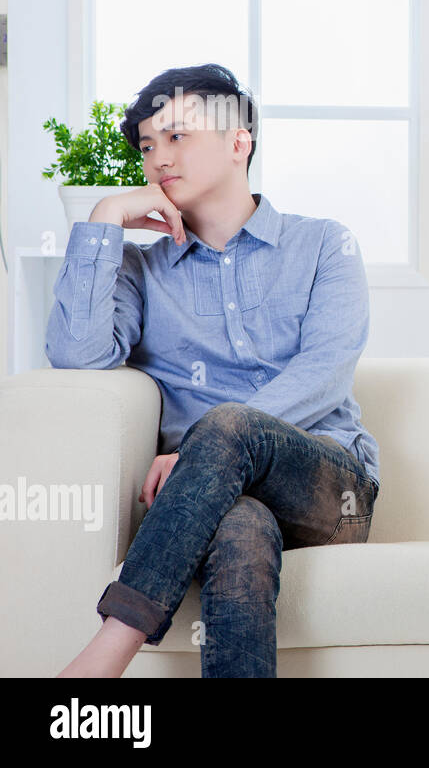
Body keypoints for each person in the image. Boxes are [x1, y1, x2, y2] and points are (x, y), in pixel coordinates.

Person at [45, 63, 380, 677]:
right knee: (241, 528)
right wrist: (101, 220)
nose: (158, 159)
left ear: (238, 141)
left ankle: (107, 651)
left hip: (331, 492)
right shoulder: (140, 270)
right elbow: (77, 357)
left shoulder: (326, 245)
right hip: (205, 501)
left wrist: (208, 440)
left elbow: (326, 370)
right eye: (147, 146)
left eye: (178, 136)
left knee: (227, 423)